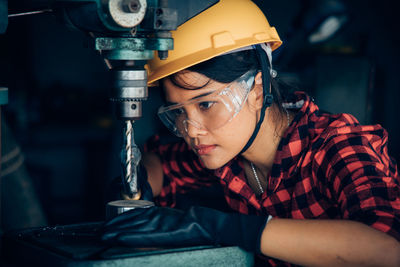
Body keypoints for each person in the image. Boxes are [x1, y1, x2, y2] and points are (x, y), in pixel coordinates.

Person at [102, 0, 400, 266]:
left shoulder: (339, 145)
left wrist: (222, 226)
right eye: (178, 112)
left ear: (257, 90)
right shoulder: (227, 151)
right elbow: (161, 163)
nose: (191, 130)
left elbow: (387, 251)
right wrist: (137, 187)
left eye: (206, 104)